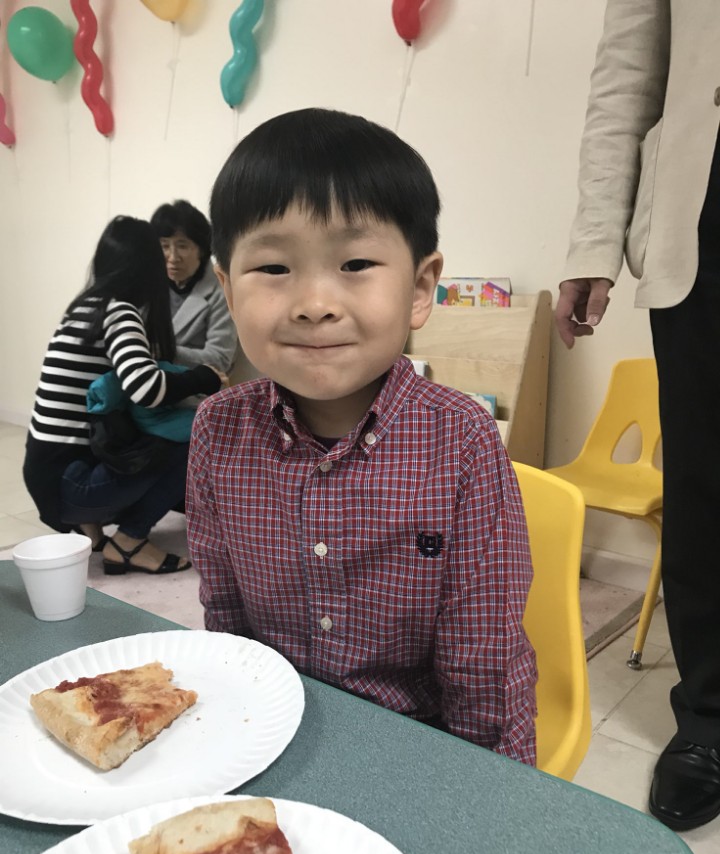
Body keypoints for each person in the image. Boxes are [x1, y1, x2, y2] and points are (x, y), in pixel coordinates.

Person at [186, 108, 538, 763]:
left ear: (420, 288)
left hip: (420, 744)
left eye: (355, 263)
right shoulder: (217, 429)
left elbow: (483, 656)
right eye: (274, 268)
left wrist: (485, 789)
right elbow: (225, 613)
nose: (315, 304)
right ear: (228, 291)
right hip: (273, 731)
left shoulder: (461, 439)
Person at [557, 2, 720, 829]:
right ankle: (712, 715)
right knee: (703, 483)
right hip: (707, 208)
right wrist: (596, 241)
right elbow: (628, 72)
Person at [23, 215, 226, 575]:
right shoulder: (118, 312)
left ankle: (91, 530)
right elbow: (146, 389)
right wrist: (203, 378)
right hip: (72, 485)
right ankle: (129, 541)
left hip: (46, 474)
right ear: (149, 267)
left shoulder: (83, 308)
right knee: (194, 441)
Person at [150, 200, 239, 374]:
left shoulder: (220, 291)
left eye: (182, 246)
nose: (173, 257)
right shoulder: (148, 282)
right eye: (164, 246)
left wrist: (166, 351)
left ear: (202, 249)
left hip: (195, 388)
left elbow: (220, 359)